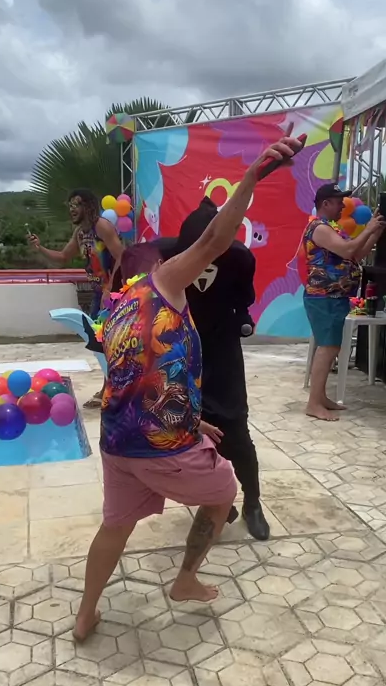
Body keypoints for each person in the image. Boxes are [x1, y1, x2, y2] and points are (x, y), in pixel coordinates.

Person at [73, 131, 302, 641]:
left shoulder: (122, 303)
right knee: (222, 493)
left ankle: (86, 613)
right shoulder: (165, 282)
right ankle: (185, 579)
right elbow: (215, 239)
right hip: (158, 447)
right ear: (161, 265)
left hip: (117, 442)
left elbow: (138, 378)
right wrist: (251, 176)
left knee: (115, 526)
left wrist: (191, 420)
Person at [171, 197, 269, 541]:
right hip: (183, 352)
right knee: (184, 433)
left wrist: (242, 319)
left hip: (223, 350)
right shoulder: (168, 257)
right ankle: (217, 500)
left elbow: (243, 300)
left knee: (235, 431)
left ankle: (252, 502)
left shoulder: (240, 259)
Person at [28, 188, 123, 407]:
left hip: (114, 293)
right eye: (70, 205)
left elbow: (121, 256)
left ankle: (109, 390)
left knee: (108, 343)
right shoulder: (80, 233)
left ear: (88, 206)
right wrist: (40, 247)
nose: (72, 209)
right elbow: (63, 257)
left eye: (77, 204)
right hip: (99, 292)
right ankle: (109, 388)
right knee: (98, 342)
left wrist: (110, 287)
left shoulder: (102, 227)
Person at [303, 183, 385, 422]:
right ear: (325, 203)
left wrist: (375, 231)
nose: (343, 206)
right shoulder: (319, 228)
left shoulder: (333, 228)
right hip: (323, 297)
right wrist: (368, 228)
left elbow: (357, 254)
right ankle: (313, 403)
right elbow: (348, 250)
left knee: (332, 347)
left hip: (335, 297)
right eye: (339, 202)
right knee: (327, 348)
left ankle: (321, 397)